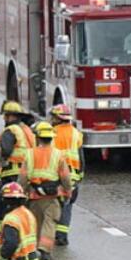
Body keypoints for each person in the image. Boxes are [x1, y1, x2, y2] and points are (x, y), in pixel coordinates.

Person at [18, 121, 71, 260]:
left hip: (34, 195)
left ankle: (34, 249)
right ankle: (45, 249)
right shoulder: (58, 155)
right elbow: (65, 177)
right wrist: (68, 190)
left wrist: (20, 192)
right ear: (51, 137)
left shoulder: (29, 154)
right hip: (52, 195)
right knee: (50, 221)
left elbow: (23, 177)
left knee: (36, 222)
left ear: (37, 137)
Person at [0, 101, 35, 237]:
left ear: (11, 116)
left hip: (12, 173)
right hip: (27, 172)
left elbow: (5, 151)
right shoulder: (27, 130)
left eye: (5, 116)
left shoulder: (10, 131)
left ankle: (8, 232)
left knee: (7, 204)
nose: (4, 119)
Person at [49, 104, 83, 247]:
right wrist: (80, 175)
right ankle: (62, 236)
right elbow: (81, 157)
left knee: (52, 205)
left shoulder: (51, 133)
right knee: (67, 206)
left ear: (57, 118)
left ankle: (51, 235)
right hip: (73, 176)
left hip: (56, 175)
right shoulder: (77, 133)